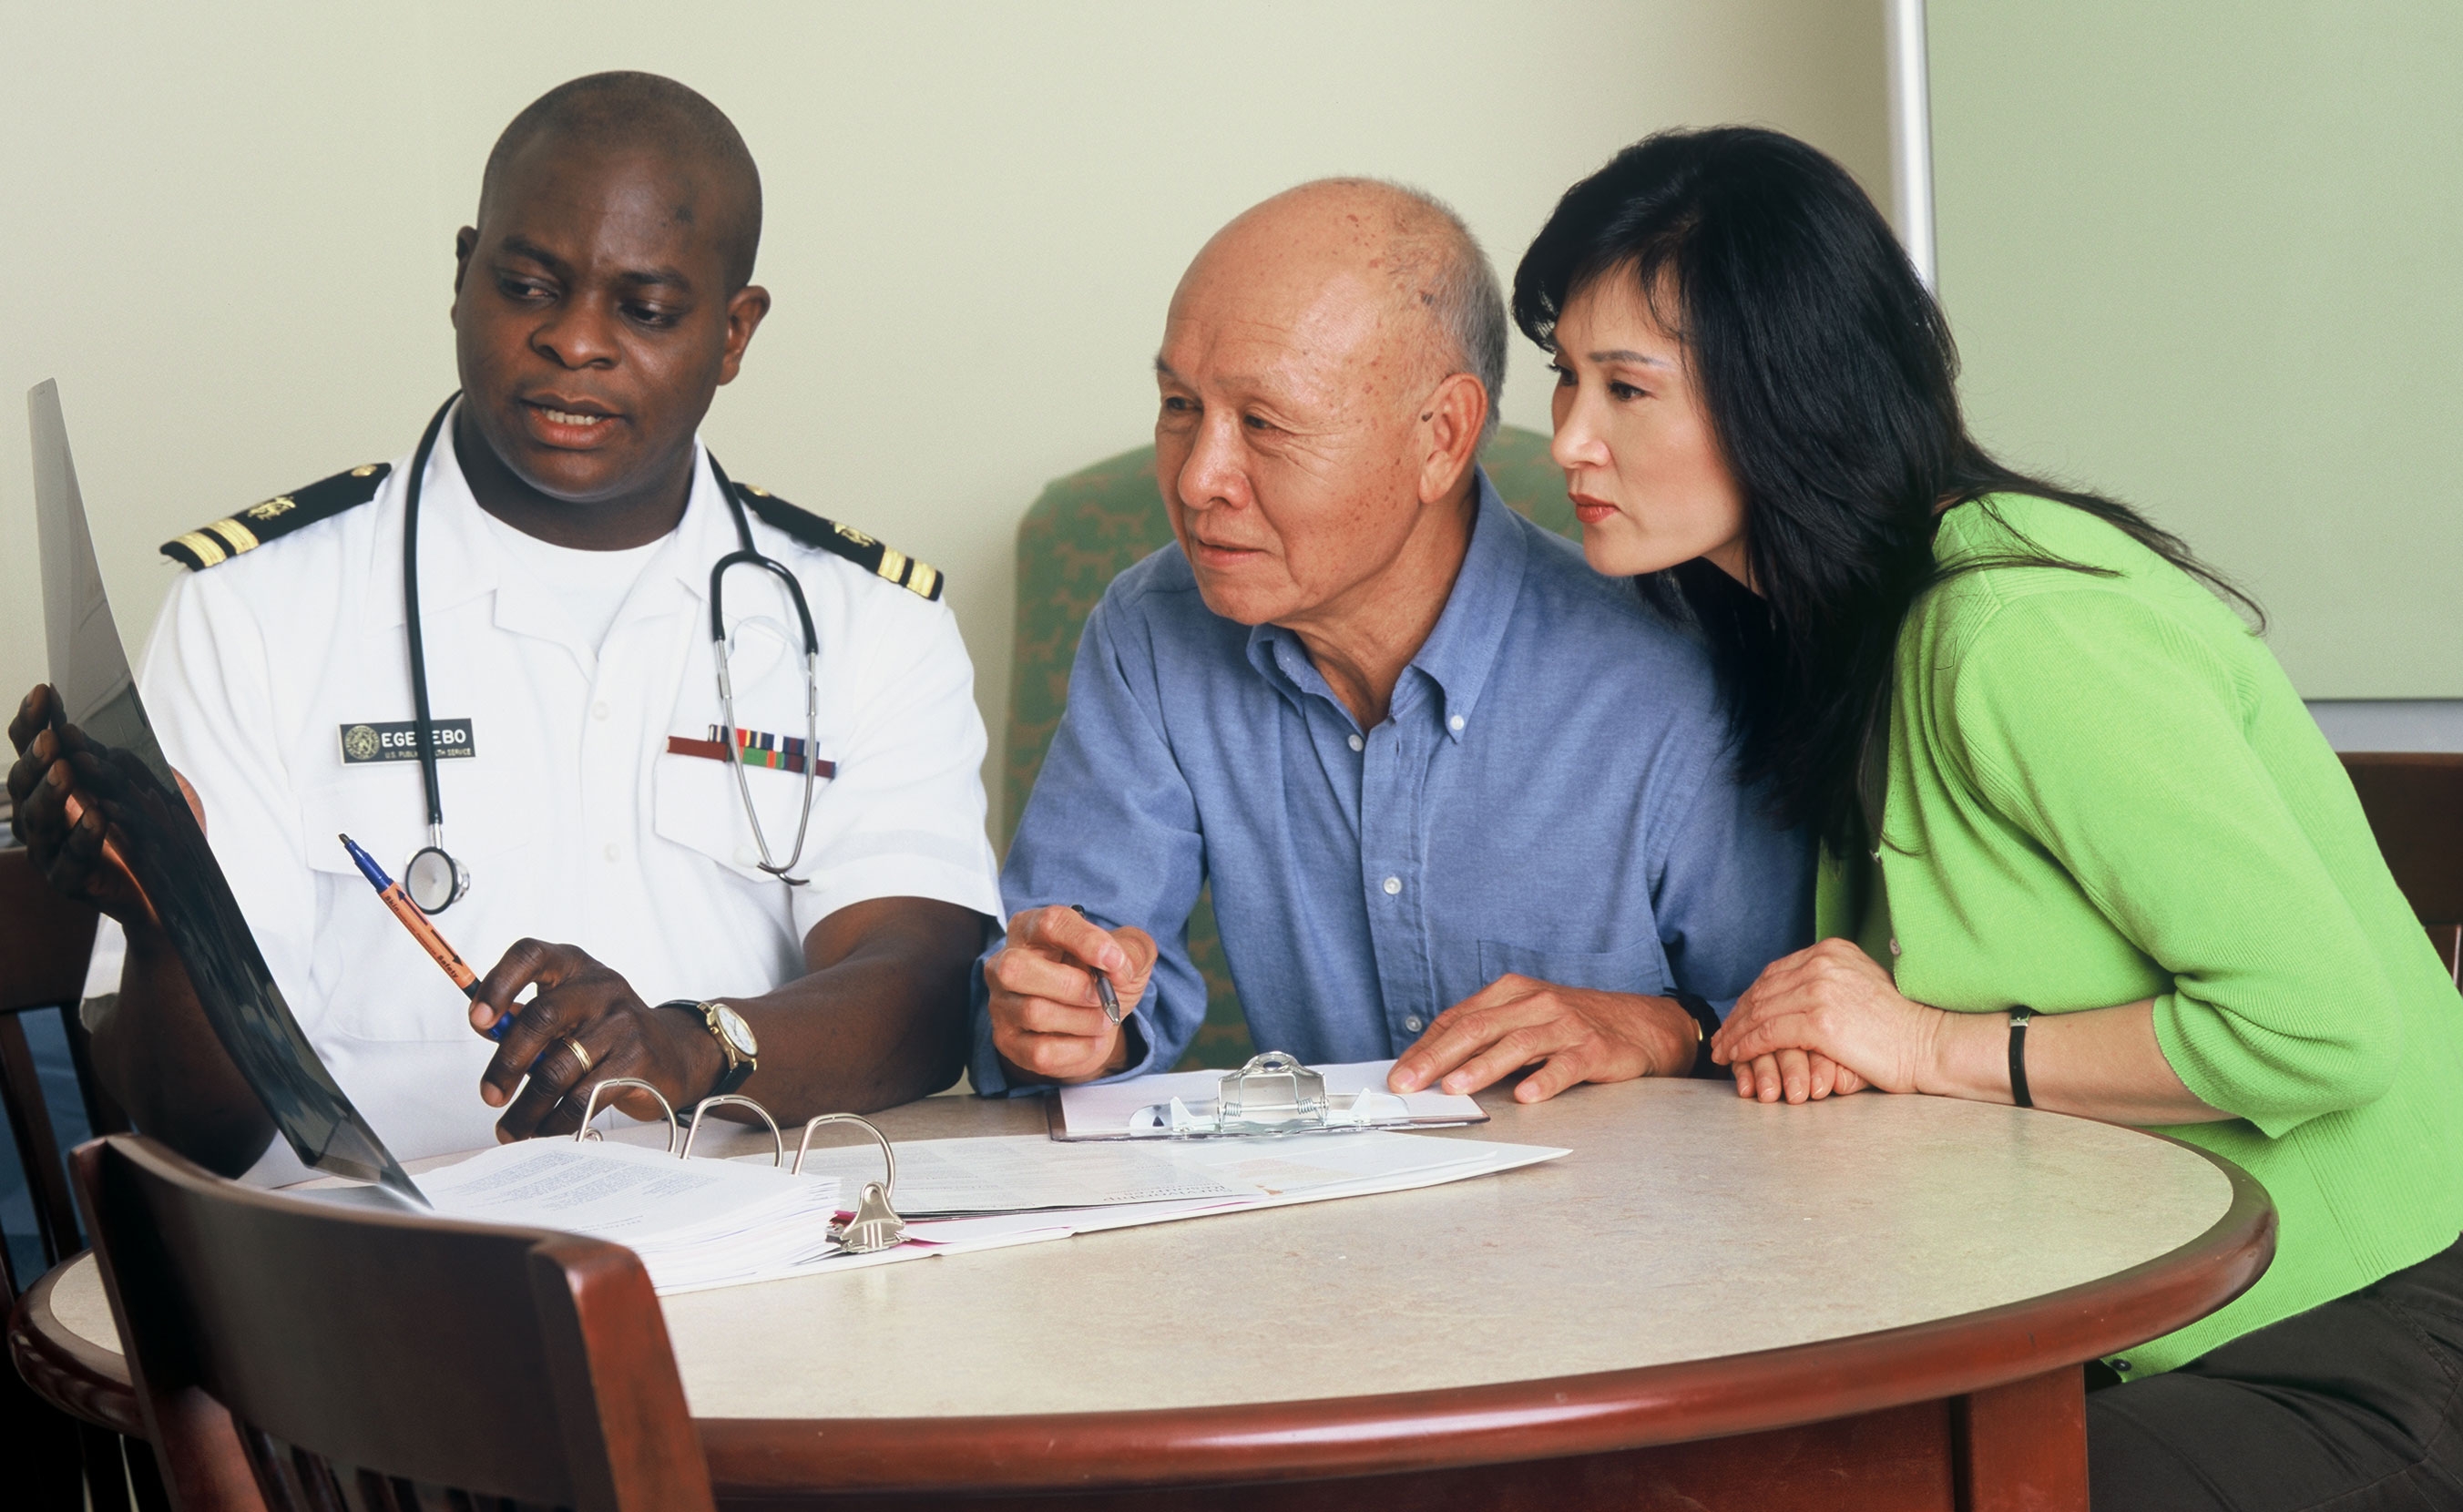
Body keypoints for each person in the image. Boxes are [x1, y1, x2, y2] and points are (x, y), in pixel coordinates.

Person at [1513, 125, 2463, 1508]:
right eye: (1564, 378)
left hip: (2359, 1317)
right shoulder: (1834, 633)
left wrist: (1924, 1045)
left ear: (1788, 391)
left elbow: (2322, 1029)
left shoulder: (2014, 635)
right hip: (2123, 1314)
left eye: (1626, 388)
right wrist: (1724, 1036)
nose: (1569, 442)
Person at [6, 72, 1001, 1180]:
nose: (574, 342)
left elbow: (920, 988)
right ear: (462, 276)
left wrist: (691, 1041)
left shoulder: (865, 619)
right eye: (528, 286)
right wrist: (160, 924)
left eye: (647, 310)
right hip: (375, 1277)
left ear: (733, 331)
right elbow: (202, 1134)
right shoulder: (253, 607)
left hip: (758, 1263)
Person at [976, 179, 1809, 1100]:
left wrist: (1667, 1025)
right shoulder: (1149, 633)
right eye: (1179, 405)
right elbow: (1068, 980)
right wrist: (1070, 1022)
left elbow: (1791, 1031)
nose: (1200, 478)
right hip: (1318, 1234)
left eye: (1262, 422)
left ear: (1441, 438)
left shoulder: (1674, 668)